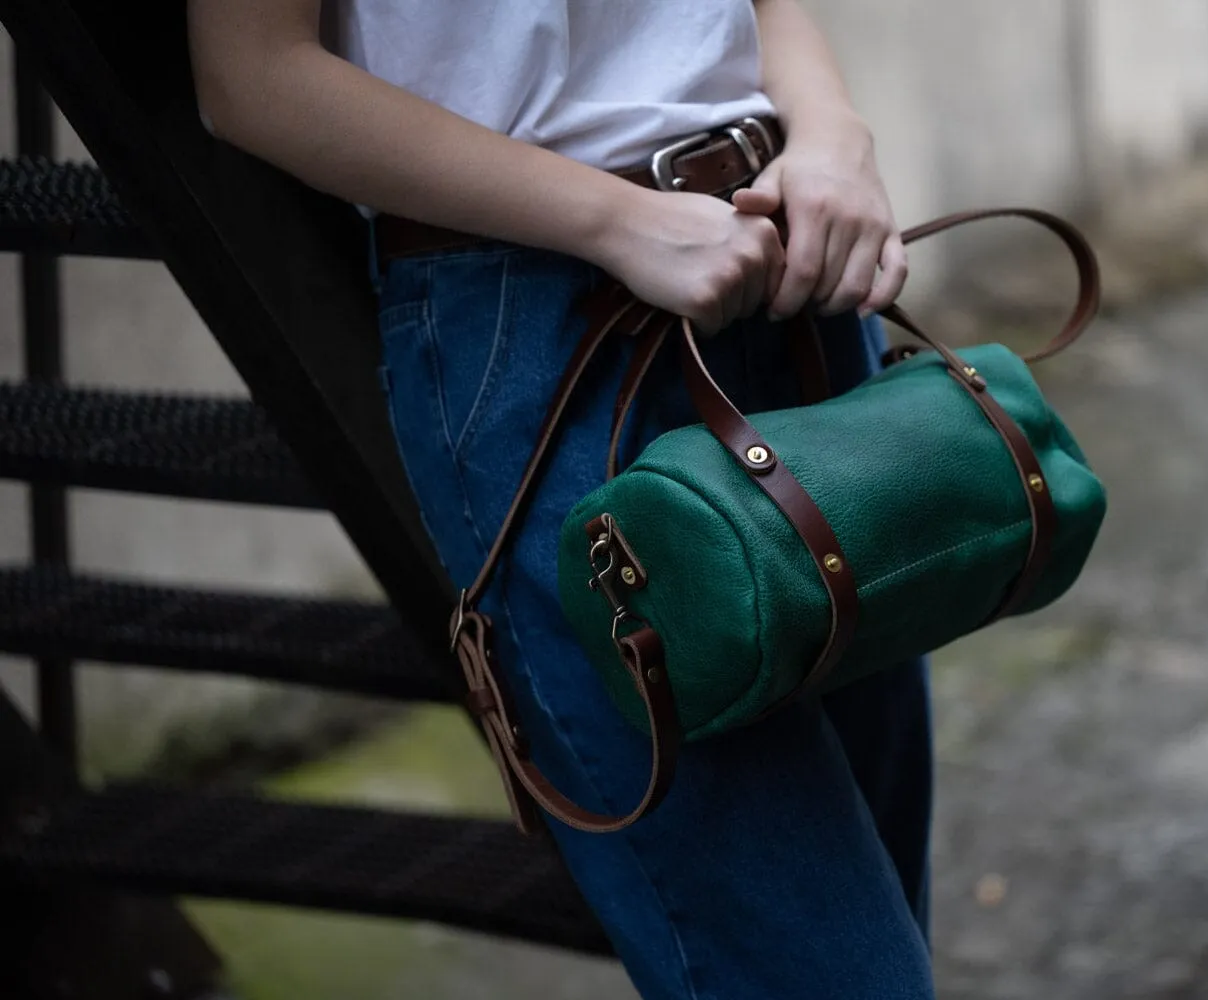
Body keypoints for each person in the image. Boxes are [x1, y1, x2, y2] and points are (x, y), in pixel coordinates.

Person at [186, 2, 934, 996]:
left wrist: (836, 140)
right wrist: (620, 218)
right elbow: (252, 78)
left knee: (884, 895)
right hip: (542, 319)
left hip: (788, 261)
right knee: (833, 971)